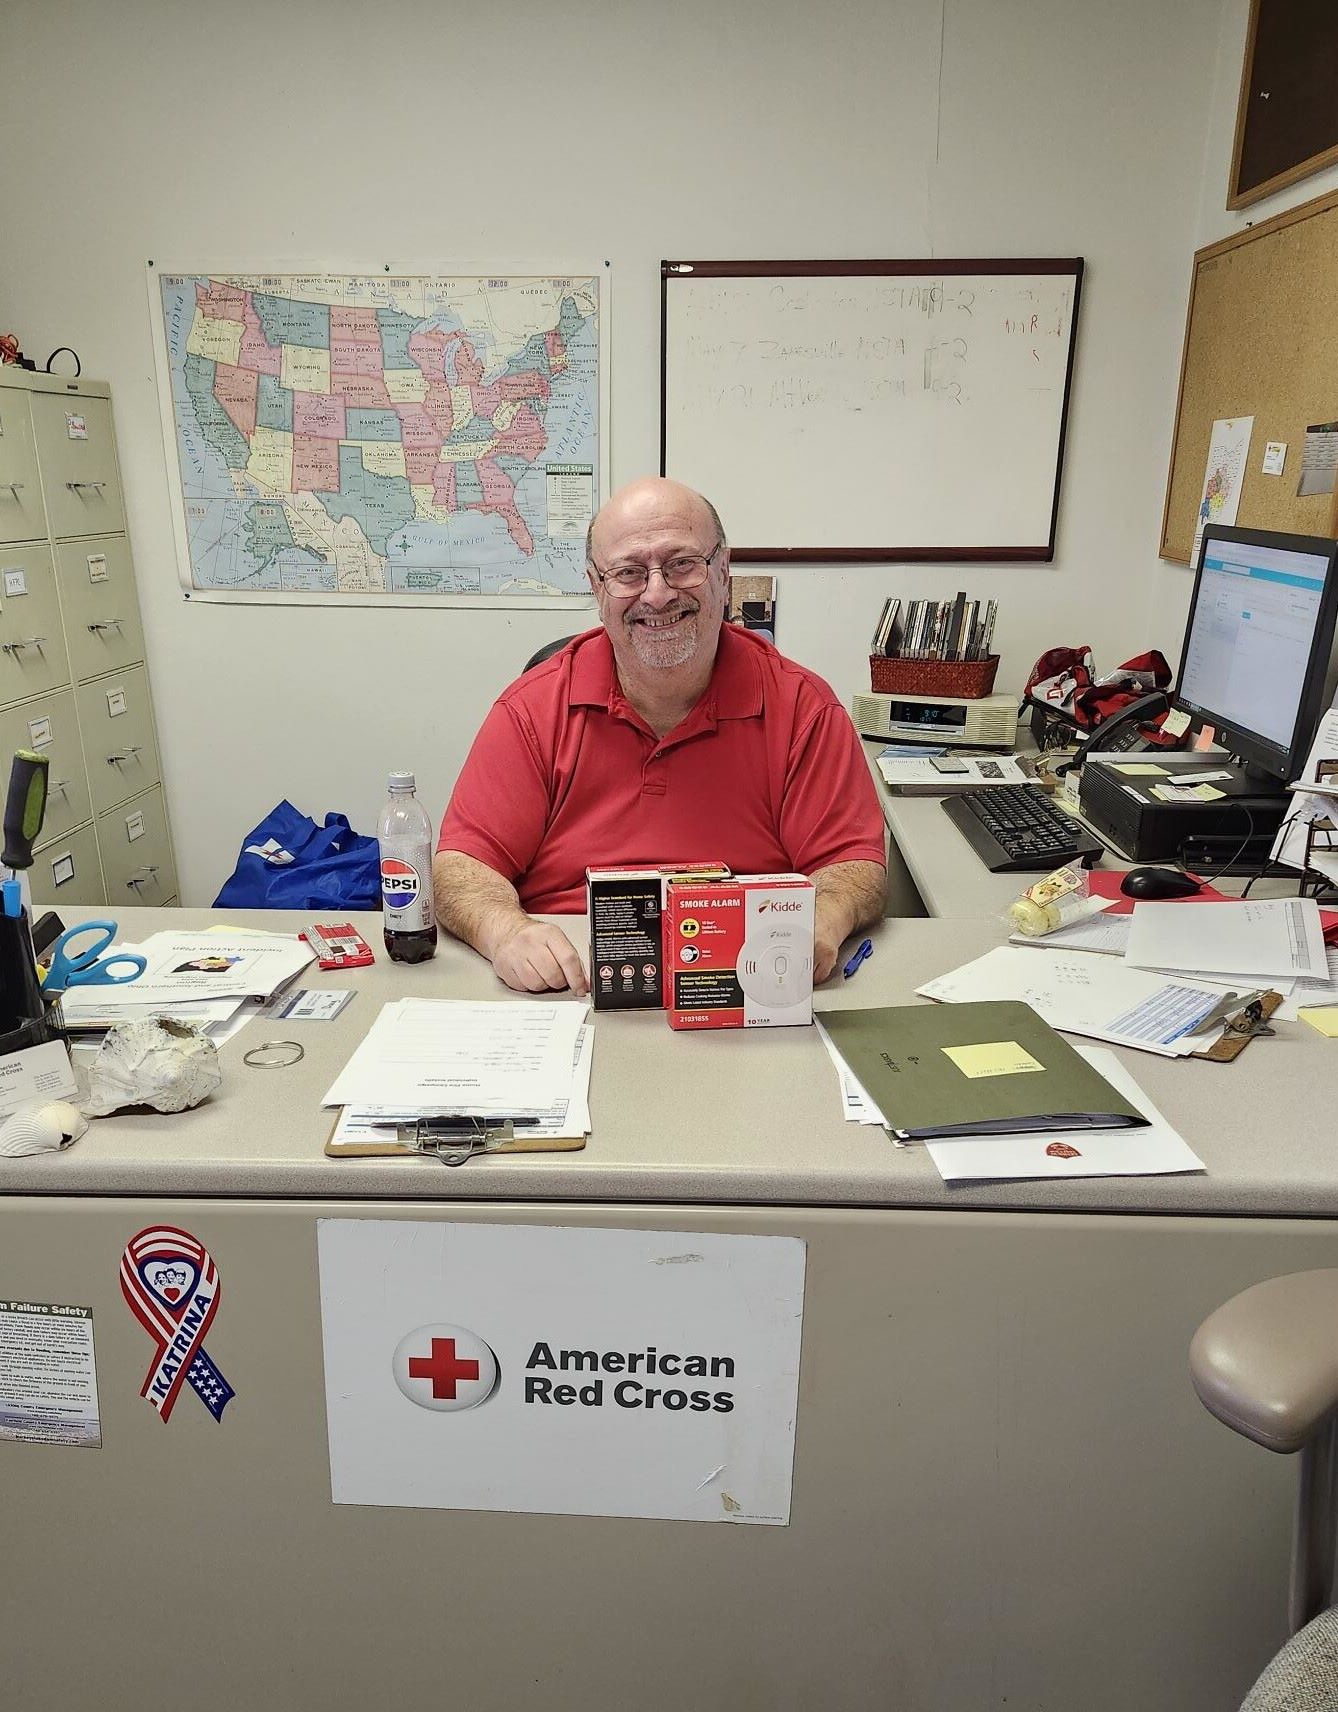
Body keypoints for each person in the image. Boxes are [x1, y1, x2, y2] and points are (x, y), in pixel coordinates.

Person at [433, 477, 886, 993]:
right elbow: (461, 866)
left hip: (751, 982)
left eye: (681, 564)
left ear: (723, 571)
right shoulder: (532, 709)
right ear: (596, 589)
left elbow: (853, 866)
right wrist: (506, 931)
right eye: (628, 572)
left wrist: (823, 922)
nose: (657, 593)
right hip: (567, 983)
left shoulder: (804, 709)